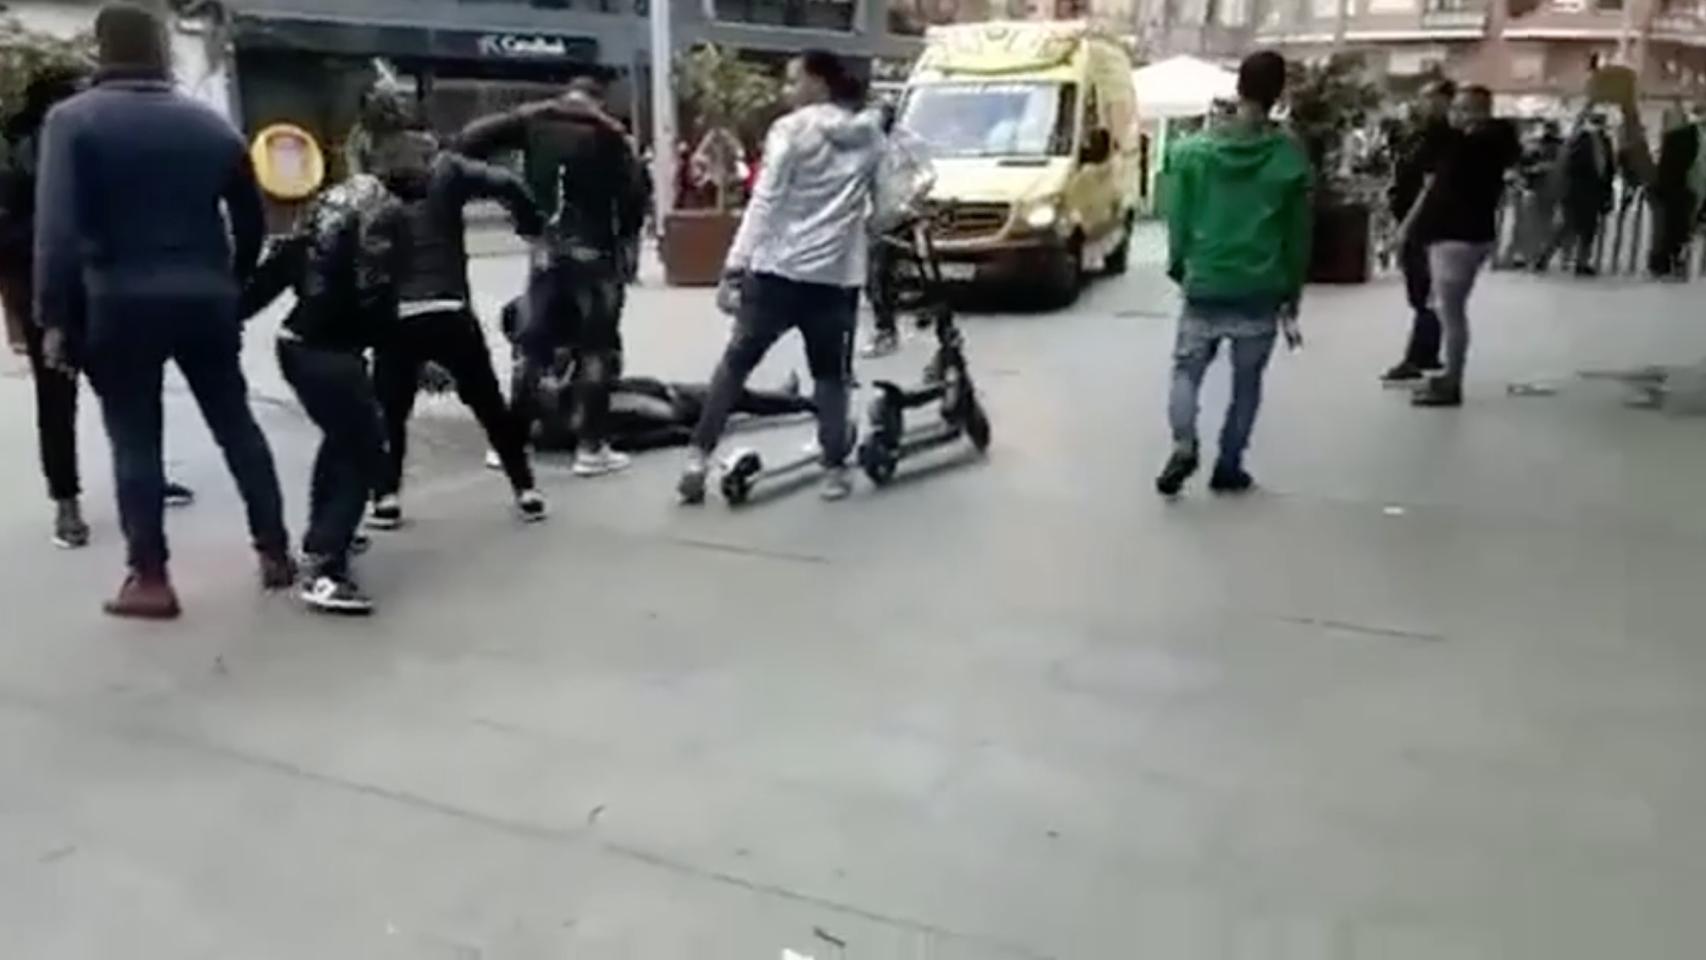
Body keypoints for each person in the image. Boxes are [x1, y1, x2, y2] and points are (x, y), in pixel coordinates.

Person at [34, 2, 292, 619]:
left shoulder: (72, 122)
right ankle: (275, 550)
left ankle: (150, 579)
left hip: (118, 301)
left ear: (102, 49)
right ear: (160, 50)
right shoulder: (211, 126)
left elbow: (58, 232)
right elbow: (253, 221)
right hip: (205, 297)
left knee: (135, 439)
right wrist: (231, 284)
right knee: (236, 425)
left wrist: (55, 318)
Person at [0, 64, 198, 550]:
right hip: (48, 289)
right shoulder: (18, 155)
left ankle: (143, 476)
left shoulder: (88, 144)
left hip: (102, 284)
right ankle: (66, 503)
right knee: (59, 399)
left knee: (127, 388)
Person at [675, 50, 883, 505]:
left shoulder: (790, 131)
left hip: (776, 275)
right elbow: (881, 209)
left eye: (794, 82)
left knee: (734, 366)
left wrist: (734, 265)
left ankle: (696, 460)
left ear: (818, 83)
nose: (787, 92)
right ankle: (833, 472)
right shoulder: (871, 136)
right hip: (834, 280)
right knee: (830, 376)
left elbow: (765, 202)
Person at [457, 74, 646, 478]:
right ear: (599, 100)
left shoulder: (534, 124)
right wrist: (628, 255)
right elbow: (633, 204)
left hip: (547, 252)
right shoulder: (613, 136)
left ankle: (510, 443)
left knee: (532, 345)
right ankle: (591, 448)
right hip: (597, 254)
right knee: (598, 349)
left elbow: (471, 138)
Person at [363, 125, 550, 530]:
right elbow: (506, 181)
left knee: (390, 409)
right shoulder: (448, 170)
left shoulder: (375, 187)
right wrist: (530, 226)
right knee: (488, 402)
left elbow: (370, 263)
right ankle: (525, 488)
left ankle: (386, 497)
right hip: (450, 308)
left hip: (400, 314)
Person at [241, 166, 405, 615]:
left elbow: (254, 293)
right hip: (331, 360)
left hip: (296, 348)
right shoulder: (371, 256)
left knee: (341, 439)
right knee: (363, 452)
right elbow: (383, 316)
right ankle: (325, 566)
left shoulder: (306, 245)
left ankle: (326, 536)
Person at [1155, 50, 1310, 497]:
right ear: (1278, 92)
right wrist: (1292, 293)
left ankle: (1184, 444)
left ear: (1238, 86)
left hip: (1205, 280)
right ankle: (1229, 464)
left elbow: (1178, 218)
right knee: (1247, 383)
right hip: (1260, 285)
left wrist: (1181, 264)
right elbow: (1299, 233)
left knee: (1186, 371)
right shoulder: (1288, 157)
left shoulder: (1192, 153)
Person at [498, 297, 815, 453]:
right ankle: (800, 402)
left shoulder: (548, 368)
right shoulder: (550, 400)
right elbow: (621, 438)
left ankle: (790, 399)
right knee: (732, 400)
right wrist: (674, 435)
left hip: (650, 395)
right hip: (657, 409)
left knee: (732, 400)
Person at [1394, 85, 1520, 408]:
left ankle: (1452, 380)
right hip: (1462, 235)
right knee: (1446, 308)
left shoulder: (1476, 145)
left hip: (1456, 235)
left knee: (1451, 312)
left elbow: (1440, 168)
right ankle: (1448, 374)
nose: (1455, 115)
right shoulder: (1483, 144)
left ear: (1478, 111)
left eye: (1462, 109)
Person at [1381, 79, 1455, 385]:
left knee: (1424, 291)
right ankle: (1428, 351)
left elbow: (1429, 187)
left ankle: (1417, 356)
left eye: (1430, 99)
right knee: (1421, 290)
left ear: (1444, 102)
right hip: (1414, 221)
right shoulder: (1419, 136)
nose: (1423, 104)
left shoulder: (1442, 139)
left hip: (1427, 225)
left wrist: (1406, 226)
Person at [1556, 111, 1615, 276]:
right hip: (1578, 191)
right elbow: (1571, 166)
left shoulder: (1606, 142)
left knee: (1588, 229)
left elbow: (1608, 169)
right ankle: (1545, 257)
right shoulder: (1579, 140)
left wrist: (1607, 194)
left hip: (1594, 192)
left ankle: (1582, 262)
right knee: (1569, 227)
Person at [1649, 106, 1699, 279]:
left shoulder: (1678, 138)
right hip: (1678, 194)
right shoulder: (1678, 139)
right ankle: (1668, 263)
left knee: (1676, 231)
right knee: (1673, 230)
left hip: (1684, 193)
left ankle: (1673, 262)